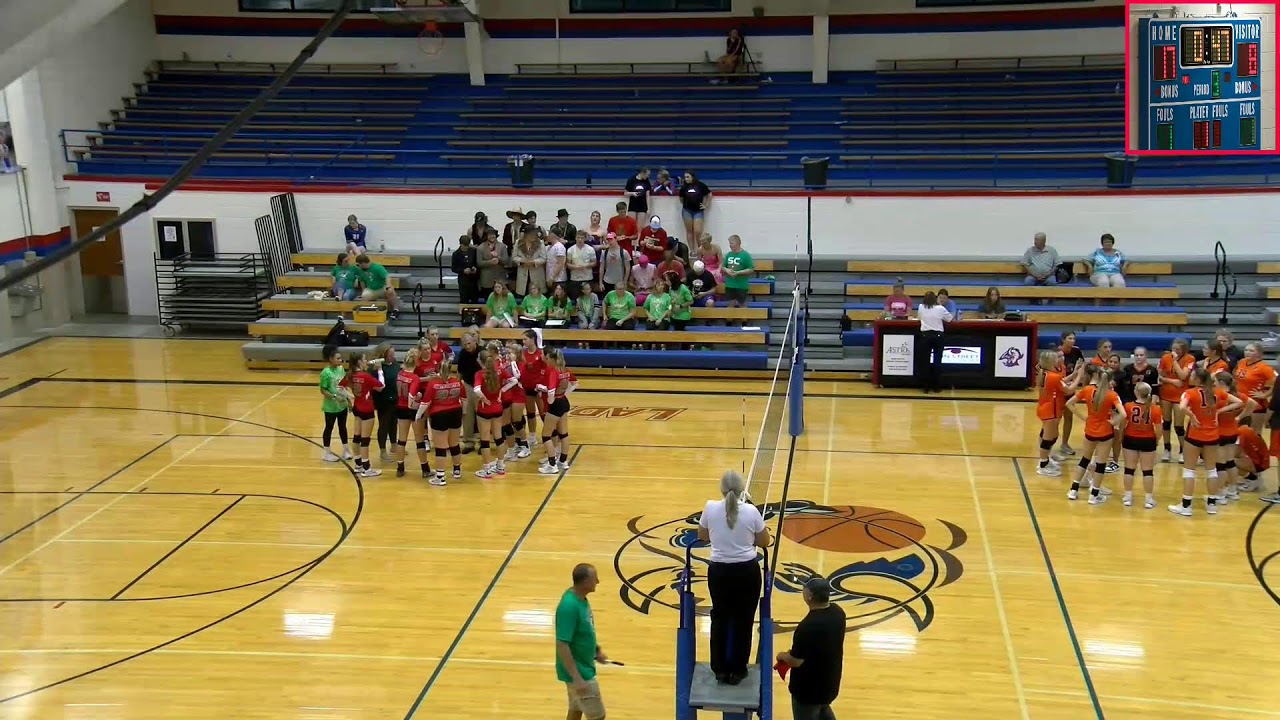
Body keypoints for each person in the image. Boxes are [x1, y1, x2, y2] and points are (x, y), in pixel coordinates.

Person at [697, 470, 770, 685]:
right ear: (742, 490)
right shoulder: (751, 511)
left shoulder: (710, 507)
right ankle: (738, 670)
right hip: (746, 572)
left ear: (721, 489)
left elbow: (701, 536)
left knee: (720, 617)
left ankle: (719, 668)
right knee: (744, 620)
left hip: (719, 572)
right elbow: (765, 541)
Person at [1170, 369, 1241, 516]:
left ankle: (1186, 506)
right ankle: (1212, 504)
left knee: (1189, 470)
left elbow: (1182, 407)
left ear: (1196, 379)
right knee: (1211, 470)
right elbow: (1239, 402)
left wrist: (1192, 415)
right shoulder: (1216, 392)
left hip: (1195, 434)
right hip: (1212, 435)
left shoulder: (1190, 392)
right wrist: (1218, 412)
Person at [776, 577, 846, 720]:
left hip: (808, 691)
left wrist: (782, 655)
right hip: (830, 684)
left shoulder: (807, 627)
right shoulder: (838, 613)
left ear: (809, 595)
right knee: (823, 708)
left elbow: (796, 661)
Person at [555, 563, 608, 720]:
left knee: (576, 709)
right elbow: (562, 644)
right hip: (579, 673)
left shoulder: (581, 599)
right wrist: (577, 678)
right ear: (584, 582)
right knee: (598, 716)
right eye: (594, 578)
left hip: (582, 667)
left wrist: (596, 651)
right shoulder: (569, 606)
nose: (597, 581)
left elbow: (585, 631)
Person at [1063, 366, 1124, 504]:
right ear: (1110, 380)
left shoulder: (1087, 390)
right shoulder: (1112, 395)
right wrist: (1114, 421)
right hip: (1105, 432)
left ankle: (1073, 490)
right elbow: (1124, 413)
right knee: (1100, 464)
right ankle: (1094, 495)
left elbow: (1069, 404)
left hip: (1090, 430)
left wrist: (1084, 417)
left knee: (1084, 460)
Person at [418, 360, 465, 486]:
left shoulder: (433, 384)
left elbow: (425, 402)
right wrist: (463, 413)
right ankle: (457, 470)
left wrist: (418, 415)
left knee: (441, 447)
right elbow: (464, 399)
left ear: (438, 370)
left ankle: (440, 476)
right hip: (455, 413)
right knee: (454, 444)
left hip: (439, 415)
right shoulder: (457, 382)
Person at [339, 352, 385, 478]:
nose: (366, 361)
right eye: (364, 359)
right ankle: (367, 468)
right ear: (359, 362)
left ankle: (358, 464)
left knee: (357, 437)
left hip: (357, 407)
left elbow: (340, 387)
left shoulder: (350, 375)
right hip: (367, 409)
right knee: (365, 440)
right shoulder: (365, 376)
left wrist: (351, 396)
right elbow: (381, 386)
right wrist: (380, 370)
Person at [1036, 349, 1080, 476]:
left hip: (1045, 406)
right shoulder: (1053, 376)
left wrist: (1075, 373)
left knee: (1048, 434)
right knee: (1049, 437)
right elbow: (1069, 390)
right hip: (1051, 409)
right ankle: (1043, 464)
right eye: (1055, 358)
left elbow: (1061, 381)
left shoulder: (1044, 373)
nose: (1058, 360)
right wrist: (1079, 377)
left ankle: (1046, 459)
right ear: (1050, 361)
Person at [1213, 371, 1256, 503]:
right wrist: (1239, 417)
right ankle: (1232, 491)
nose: (1212, 384)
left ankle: (1220, 494)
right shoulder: (1238, 395)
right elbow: (1253, 403)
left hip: (1219, 433)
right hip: (1232, 431)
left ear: (1221, 383)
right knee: (1230, 462)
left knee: (1220, 465)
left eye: (1214, 382)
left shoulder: (1219, 396)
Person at [1121, 382, 1162, 509]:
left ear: (1136, 392)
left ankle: (1128, 497)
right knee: (1148, 471)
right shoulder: (1155, 408)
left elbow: (1122, 424)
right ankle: (1148, 499)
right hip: (1148, 440)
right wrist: (1156, 441)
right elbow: (1159, 429)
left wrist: (1122, 437)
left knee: (1129, 469)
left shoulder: (1128, 406)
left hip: (1130, 438)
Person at [393, 348, 431, 479]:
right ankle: (425, 469)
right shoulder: (414, 378)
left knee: (401, 440)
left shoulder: (400, 374)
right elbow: (411, 395)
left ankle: (400, 468)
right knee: (419, 440)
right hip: (412, 410)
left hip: (400, 407)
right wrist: (415, 401)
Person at [538, 347, 577, 474]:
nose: (547, 360)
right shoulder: (565, 370)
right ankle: (563, 461)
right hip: (564, 402)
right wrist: (565, 393)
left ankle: (552, 464)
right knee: (564, 434)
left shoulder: (552, 371)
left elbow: (550, 391)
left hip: (556, 404)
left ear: (553, 359)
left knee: (546, 435)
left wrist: (550, 400)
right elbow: (576, 383)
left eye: (548, 358)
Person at [473, 347, 508, 479]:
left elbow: (476, 389)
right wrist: (501, 391)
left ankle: (487, 469)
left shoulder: (480, 373)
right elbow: (514, 380)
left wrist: (483, 398)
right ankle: (500, 466)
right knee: (498, 438)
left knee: (485, 440)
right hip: (498, 408)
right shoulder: (499, 370)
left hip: (485, 409)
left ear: (479, 360)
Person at [1157, 338, 1195, 462]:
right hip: (1165, 393)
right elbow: (1160, 376)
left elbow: (1183, 376)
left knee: (1179, 426)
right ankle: (1167, 449)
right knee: (1166, 423)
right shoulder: (1165, 358)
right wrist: (1172, 381)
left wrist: (1175, 361)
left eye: (1178, 349)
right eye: (1173, 348)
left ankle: (1182, 451)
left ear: (1184, 349)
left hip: (1180, 395)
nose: (1175, 351)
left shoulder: (1189, 359)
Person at [319, 345, 353, 462]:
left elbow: (343, 386)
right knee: (329, 428)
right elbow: (323, 390)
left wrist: (348, 400)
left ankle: (346, 450)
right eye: (338, 358)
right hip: (330, 407)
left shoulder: (341, 369)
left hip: (342, 405)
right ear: (331, 359)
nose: (340, 360)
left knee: (342, 427)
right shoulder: (326, 373)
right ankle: (326, 452)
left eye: (340, 358)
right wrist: (334, 397)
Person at [1234, 342, 1276, 432]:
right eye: (1246, 350)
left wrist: (1265, 395)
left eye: (1251, 350)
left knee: (1254, 432)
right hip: (1240, 401)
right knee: (1239, 431)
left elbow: (1277, 383)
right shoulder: (1241, 362)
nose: (1247, 352)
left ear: (1259, 353)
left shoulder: (1264, 367)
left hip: (1255, 403)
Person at [917, 290, 952, 395]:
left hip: (925, 336)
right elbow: (949, 319)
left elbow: (919, 318)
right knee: (937, 361)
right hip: (937, 336)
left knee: (925, 362)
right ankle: (937, 386)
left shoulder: (921, 307)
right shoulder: (940, 309)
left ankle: (925, 387)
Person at [371, 342, 400, 464]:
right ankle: (383, 451)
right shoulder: (376, 368)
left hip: (395, 398)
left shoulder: (396, 365)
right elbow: (374, 384)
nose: (392, 357)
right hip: (382, 400)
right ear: (383, 355)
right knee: (384, 424)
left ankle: (394, 445)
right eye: (390, 355)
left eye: (393, 354)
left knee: (394, 422)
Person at [520, 330, 548, 451]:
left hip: (538, 388)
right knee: (530, 413)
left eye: (525, 339)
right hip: (527, 387)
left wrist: (541, 384)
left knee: (543, 414)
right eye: (523, 340)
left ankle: (549, 435)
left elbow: (545, 369)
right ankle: (532, 436)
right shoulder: (523, 354)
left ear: (532, 339)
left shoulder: (540, 353)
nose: (524, 342)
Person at [456, 330, 482, 454]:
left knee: (482, 416)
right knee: (467, 416)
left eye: (469, 343)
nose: (467, 346)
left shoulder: (482, 352)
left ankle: (483, 442)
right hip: (467, 386)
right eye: (465, 344)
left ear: (475, 341)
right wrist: (456, 386)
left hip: (480, 388)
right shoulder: (462, 354)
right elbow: (459, 372)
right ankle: (468, 442)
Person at [355, 254, 400, 320]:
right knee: (365, 296)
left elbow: (387, 277)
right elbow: (362, 281)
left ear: (363, 263)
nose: (359, 266)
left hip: (381, 287)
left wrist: (388, 286)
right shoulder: (361, 270)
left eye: (359, 264)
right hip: (371, 289)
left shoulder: (377, 267)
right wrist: (363, 290)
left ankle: (395, 310)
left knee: (390, 291)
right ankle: (372, 312)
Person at [679, 171, 712, 246]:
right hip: (687, 211)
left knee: (698, 231)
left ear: (692, 177)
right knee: (689, 231)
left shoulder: (700, 185)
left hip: (698, 211)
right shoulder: (684, 187)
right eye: (685, 177)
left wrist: (706, 205)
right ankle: (692, 250)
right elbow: (681, 199)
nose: (686, 179)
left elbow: (709, 194)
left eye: (688, 177)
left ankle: (700, 248)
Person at [513, 230, 548, 298]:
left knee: (537, 293)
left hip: (536, 272)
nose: (533, 236)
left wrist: (533, 262)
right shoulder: (518, 242)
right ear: (526, 235)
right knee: (522, 294)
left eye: (534, 235)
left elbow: (543, 258)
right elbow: (514, 257)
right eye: (531, 234)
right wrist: (522, 261)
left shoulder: (540, 243)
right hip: (523, 272)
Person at [722, 234, 753, 310]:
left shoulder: (745, 255)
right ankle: (729, 321)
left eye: (732, 243)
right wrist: (727, 270)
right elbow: (722, 267)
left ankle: (744, 321)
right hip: (730, 284)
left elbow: (751, 269)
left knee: (742, 304)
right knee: (730, 305)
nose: (730, 245)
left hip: (741, 285)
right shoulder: (728, 255)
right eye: (729, 243)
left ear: (738, 243)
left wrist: (738, 273)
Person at [566, 231, 597, 301]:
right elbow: (567, 264)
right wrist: (575, 267)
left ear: (585, 239)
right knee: (575, 300)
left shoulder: (590, 249)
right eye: (578, 238)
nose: (580, 240)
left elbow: (595, 263)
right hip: (575, 279)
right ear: (575, 238)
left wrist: (586, 266)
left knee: (588, 300)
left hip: (587, 278)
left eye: (582, 238)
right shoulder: (570, 250)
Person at [477, 227, 508, 295]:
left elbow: (506, 261)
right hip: (486, 280)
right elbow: (479, 263)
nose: (492, 236)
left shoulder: (502, 246)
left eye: (493, 234)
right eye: (490, 234)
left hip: (500, 279)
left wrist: (498, 258)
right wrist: (490, 262)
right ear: (486, 236)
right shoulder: (480, 248)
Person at [452, 234, 480, 305]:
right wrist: (463, 271)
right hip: (463, 281)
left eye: (467, 246)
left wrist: (475, 268)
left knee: (474, 299)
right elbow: (454, 268)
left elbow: (477, 263)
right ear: (460, 244)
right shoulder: (456, 254)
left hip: (473, 280)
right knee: (464, 300)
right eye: (464, 246)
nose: (466, 248)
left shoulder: (473, 251)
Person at [546, 230, 568, 294]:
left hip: (559, 279)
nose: (546, 237)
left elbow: (560, 263)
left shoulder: (559, 247)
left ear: (553, 235)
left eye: (548, 235)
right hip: (550, 278)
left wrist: (553, 277)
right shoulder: (549, 247)